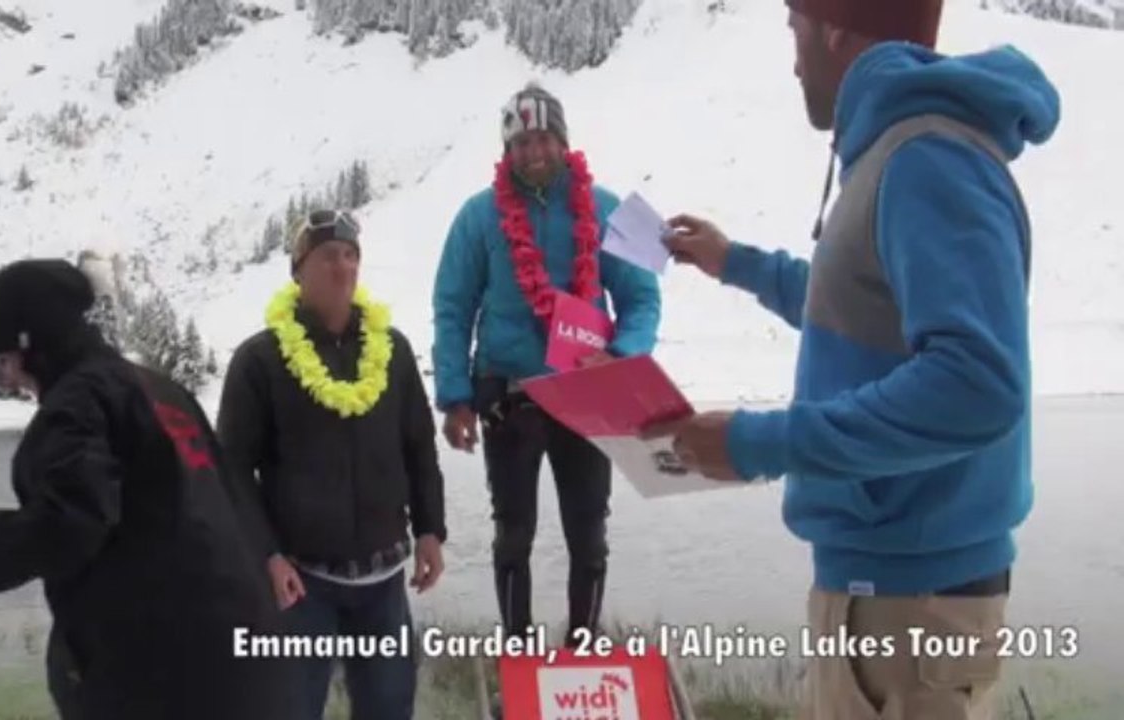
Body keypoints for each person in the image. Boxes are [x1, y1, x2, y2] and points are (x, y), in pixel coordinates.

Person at [645, 1, 1060, 718]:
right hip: (889, 596)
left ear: (834, 25)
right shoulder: (898, 150)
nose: (793, 53)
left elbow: (977, 385)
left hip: (910, 606)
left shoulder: (928, 159)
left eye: (793, 26)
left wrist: (756, 443)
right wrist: (734, 263)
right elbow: (862, 306)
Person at [0, 258, 301, 719]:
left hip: (163, 681)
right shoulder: (164, 392)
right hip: (252, 669)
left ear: (31, 346)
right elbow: (233, 501)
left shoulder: (77, 404)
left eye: (2, 361)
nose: (6, 379)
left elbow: (67, 526)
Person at [432, 82, 661, 647]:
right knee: (513, 535)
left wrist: (624, 356)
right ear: (506, 150)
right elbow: (452, 306)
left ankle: (583, 643)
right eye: (521, 142)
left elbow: (643, 296)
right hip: (509, 394)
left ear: (563, 140)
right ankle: (518, 647)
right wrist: (456, 396)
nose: (533, 152)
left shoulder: (607, 207)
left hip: (587, 395)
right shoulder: (477, 216)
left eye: (543, 139)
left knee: (590, 535)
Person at [217, 209, 447, 720]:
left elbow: (419, 445)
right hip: (300, 583)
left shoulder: (393, 350)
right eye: (327, 257)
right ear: (298, 272)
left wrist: (431, 529)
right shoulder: (260, 360)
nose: (342, 267)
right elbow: (230, 471)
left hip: (384, 579)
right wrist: (267, 556)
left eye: (350, 255)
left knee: (388, 709)